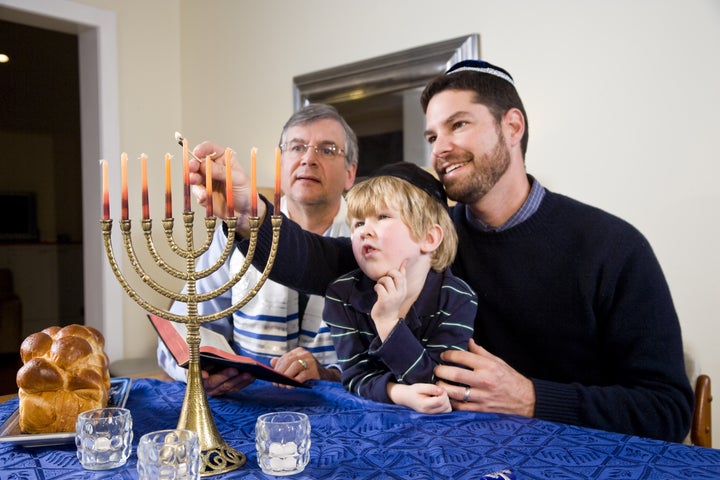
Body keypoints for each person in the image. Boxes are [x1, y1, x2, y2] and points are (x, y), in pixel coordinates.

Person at [189, 60, 693, 442]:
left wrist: (534, 398)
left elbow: (668, 411)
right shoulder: (429, 238)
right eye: (433, 134)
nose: (440, 148)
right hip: (456, 451)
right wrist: (245, 214)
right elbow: (317, 261)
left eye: (459, 125)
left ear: (511, 127)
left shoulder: (612, 246)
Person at [157, 103, 358, 395]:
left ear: (350, 173)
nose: (308, 159)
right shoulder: (236, 228)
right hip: (248, 402)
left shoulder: (369, 239)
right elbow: (182, 331)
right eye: (297, 147)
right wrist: (198, 370)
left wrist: (330, 374)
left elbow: (389, 360)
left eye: (327, 150)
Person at [324, 162, 477, 414]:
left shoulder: (457, 298)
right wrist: (398, 393)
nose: (364, 232)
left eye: (382, 217)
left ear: (429, 238)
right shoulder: (341, 295)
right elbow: (354, 376)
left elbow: (439, 387)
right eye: (358, 224)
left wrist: (389, 324)